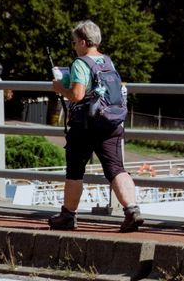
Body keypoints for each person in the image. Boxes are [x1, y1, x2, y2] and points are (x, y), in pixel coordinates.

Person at [49, 20, 144, 232]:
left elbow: (77, 95)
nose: (74, 46)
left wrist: (59, 88)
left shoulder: (80, 63)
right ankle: (131, 210)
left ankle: (68, 216)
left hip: (86, 124)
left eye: (75, 42)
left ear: (83, 42)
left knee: (75, 171)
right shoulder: (107, 61)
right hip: (111, 123)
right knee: (116, 169)